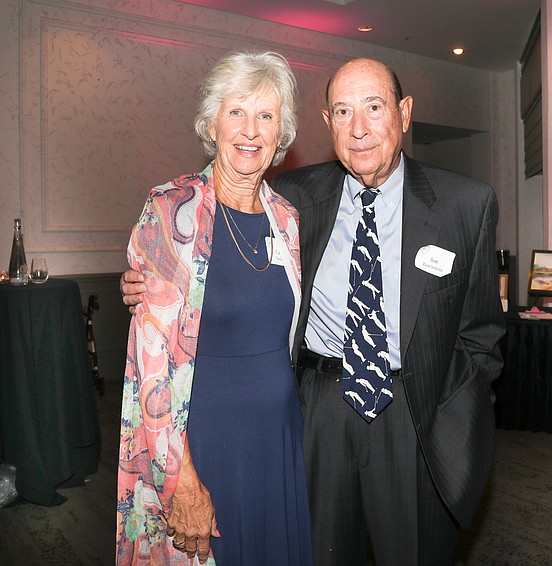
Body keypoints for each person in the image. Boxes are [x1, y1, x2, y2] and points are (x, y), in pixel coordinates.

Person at [123, 57, 505, 564]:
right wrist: (140, 285)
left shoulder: (466, 204)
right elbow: (185, 273)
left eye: (374, 107)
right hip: (316, 413)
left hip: (413, 415)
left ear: (404, 112)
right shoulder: (298, 197)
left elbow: (481, 335)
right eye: (344, 112)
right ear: (327, 124)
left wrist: (457, 422)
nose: (360, 128)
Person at [115, 51, 312, 565]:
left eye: (266, 116)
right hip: (204, 443)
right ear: (212, 123)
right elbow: (151, 370)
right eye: (237, 112)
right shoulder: (170, 210)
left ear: (282, 133)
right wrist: (181, 480)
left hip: (277, 439)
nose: (251, 130)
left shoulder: (287, 220)